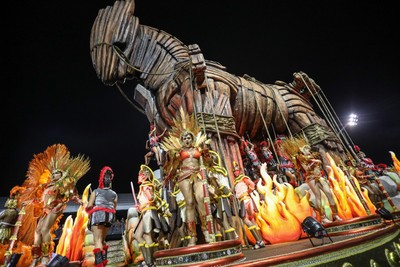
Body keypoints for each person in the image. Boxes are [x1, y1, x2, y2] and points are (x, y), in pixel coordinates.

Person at [30, 144, 90, 267]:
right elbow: (40, 200)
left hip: (55, 208)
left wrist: (80, 202)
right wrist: (29, 202)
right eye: (52, 173)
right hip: (45, 209)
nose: (53, 175)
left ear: (62, 174)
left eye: (56, 173)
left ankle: (46, 257)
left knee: (45, 230)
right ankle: (36, 257)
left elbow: (72, 195)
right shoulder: (47, 186)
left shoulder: (63, 184)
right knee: (37, 232)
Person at [161, 109, 212, 246]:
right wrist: (169, 159)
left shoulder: (199, 149)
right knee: (189, 203)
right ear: (181, 140)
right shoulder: (179, 152)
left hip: (198, 174)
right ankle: (192, 236)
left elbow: (209, 162)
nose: (187, 140)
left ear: (193, 138)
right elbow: (171, 166)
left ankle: (206, 230)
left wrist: (207, 152)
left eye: (189, 137)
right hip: (184, 175)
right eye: (185, 138)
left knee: (201, 198)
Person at [297, 145, 342, 224]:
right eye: (306, 150)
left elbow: (319, 164)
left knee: (329, 193)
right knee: (318, 196)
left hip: (319, 177)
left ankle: (335, 215)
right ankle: (323, 217)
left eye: (308, 149)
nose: (308, 150)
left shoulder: (313, 156)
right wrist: (314, 162)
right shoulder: (302, 159)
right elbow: (306, 169)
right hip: (311, 178)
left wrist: (316, 161)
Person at [86, 166, 118, 267]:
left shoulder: (96, 191)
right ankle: (104, 262)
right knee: (103, 240)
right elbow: (114, 208)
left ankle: (99, 264)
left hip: (98, 215)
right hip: (109, 217)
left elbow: (89, 206)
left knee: (97, 240)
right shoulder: (114, 194)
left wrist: (87, 207)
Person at [134, 165, 162, 267]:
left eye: (140, 175)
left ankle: (152, 262)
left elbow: (151, 199)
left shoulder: (145, 186)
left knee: (147, 235)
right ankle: (148, 260)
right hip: (145, 212)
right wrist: (140, 207)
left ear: (144, 176)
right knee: (137, 235)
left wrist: (143, 205)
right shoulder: (144, 186)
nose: (138, 176)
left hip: (149, 213)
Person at [232, 161, 265, 249]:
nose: (235, 172)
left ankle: (259, 240)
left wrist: (248, 192)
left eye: (236, 171)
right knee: (251, 221)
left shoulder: (243, 178)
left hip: (245, 200)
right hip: (240, 201)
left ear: (239, 171)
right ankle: (260, 241)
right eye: (234, 171)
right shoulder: (235, 182)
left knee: (247, 220)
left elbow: (252, 185)